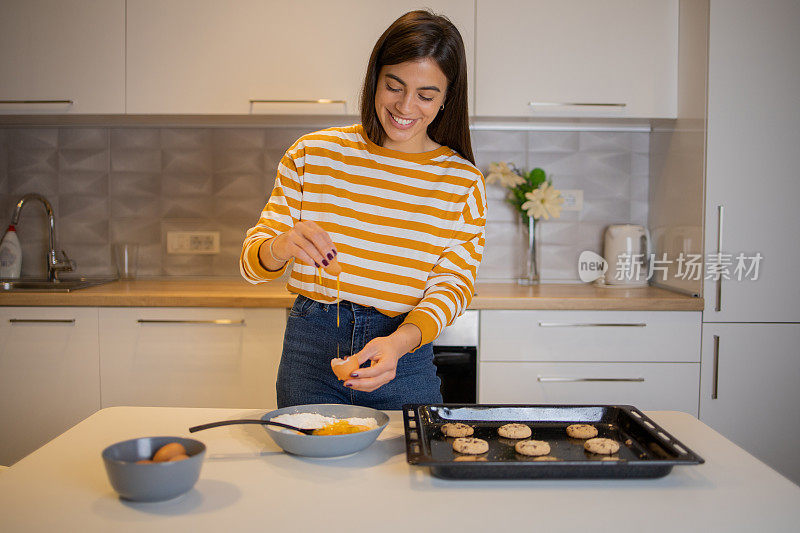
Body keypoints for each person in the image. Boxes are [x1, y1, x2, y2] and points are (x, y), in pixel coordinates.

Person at [240, 10, 486, 409]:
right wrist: (281, 245)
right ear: (375, 79)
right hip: (310, 354)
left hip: (402, 356)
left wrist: (398, 343)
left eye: (426, 95)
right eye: (394, 86)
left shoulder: (462, 183)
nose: (406, 106)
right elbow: (252, 265)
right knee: (308, 469)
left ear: (446, 100)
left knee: (407, 471)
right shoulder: (313, 154)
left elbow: (453, 286)